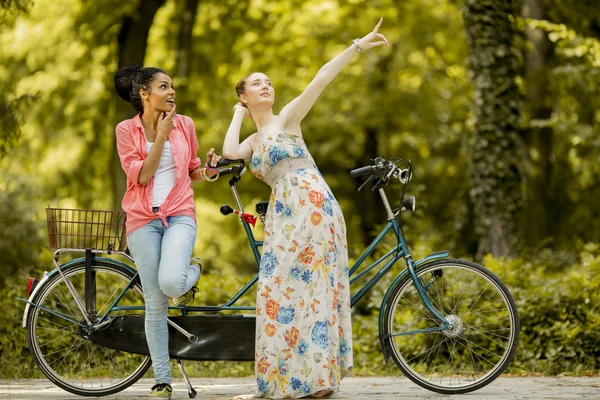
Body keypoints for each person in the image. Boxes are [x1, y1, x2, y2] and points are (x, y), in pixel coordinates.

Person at [223, 19, 389, 399]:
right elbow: (231, 152)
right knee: (277, 292)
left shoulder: (288, 119)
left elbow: (322, 76)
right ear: (245, 97)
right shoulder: (251, 139)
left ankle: (317, 381)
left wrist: (357, 46)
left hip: (313, 207)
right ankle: (294, 380)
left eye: (268, 82)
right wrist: (237, 112)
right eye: (256, 83)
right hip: (284, 215)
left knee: (314, 291)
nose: (266, 86)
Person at [114, 64, 221, 398]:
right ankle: (162, 381)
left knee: (173, 282)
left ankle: (193, 270)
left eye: (172, 86)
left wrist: (210, 171)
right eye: (164, 86)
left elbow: (192, 172)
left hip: (179, 215)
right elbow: (143, 177)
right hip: (142, 222)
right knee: (155, 304)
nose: (172, 92)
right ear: (145, 93)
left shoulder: (185, 125)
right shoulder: (126, 131)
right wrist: (160, 135)